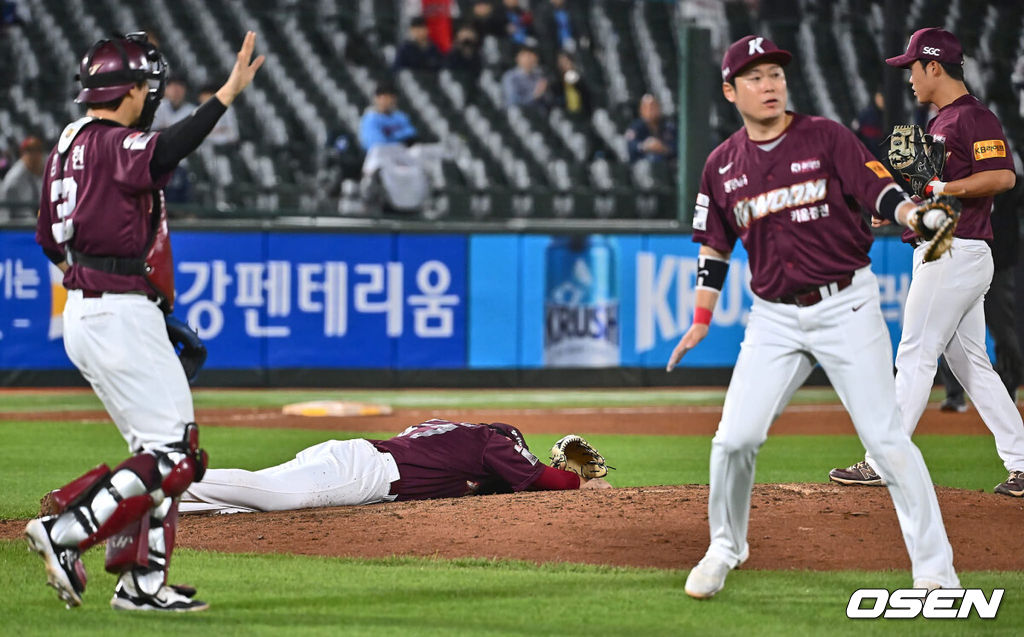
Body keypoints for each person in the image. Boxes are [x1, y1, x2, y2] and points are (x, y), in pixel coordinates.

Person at [668, 35, 959, 600]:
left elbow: (880, 192)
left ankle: (935, 571)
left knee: (886, 441)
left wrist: (913, 213)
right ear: (730, 91)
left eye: (775, 73)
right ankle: (726, 546)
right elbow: (713, 247)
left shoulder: (825, 136)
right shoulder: (721, 165)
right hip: (774, 316)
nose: (770, 84)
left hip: (846, 305)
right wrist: (701, 319)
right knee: (733, 440)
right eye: (754, 77)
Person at [26, 31, 263, 612]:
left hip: (96, 305)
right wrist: (226, 95)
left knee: (162, 455)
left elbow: (46, 240)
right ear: (130, 90)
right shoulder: (110, 141)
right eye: (145, 87)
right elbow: (163, 151)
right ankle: (67, 532)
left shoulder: (67, 143)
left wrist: (105, 285)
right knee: (175, 456)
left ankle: (141, 584)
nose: (149, 97)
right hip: (115, 309)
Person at [829, 28, 1024, 499]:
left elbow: (1002, 175)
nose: (909, 77)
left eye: (912, 68)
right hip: (945, 245)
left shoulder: (972, 118)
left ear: (934, 66)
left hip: (954, 249)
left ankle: (882, 460)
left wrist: (944, 190)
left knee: (914, 354)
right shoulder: (940, 123)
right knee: (971, 364)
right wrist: (901, 207)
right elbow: (935, 192)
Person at [180, 419, 611, 514]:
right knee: (272, 496)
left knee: (253, 498)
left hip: (351, 457)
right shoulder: (490, 442)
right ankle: (168, 477)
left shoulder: (455, 436)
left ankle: (164, 500)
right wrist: (580, 483)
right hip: (365, 472)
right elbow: (538, 476)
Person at [150, 77, 197, 204]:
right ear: (166, 89)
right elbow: (151, 132)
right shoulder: (157, 106)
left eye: (180, 87)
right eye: (173, 86)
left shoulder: (192, 109)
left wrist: (167, 129)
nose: (176, 90)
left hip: (182, 161)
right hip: (158, 159)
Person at [0, 135, 45, 220]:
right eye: (30, 151)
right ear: (22, 153)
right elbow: (23, 216)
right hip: (13, 227)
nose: (35, 155)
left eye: (38, 151)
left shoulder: (35, 171)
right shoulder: (16, 179)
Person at [625, 94, 678, 163]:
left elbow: (677, 146)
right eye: (646, 107)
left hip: (666, 164)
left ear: (659, 108)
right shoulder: (635, 126)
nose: (650, 110)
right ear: (641, 110)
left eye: (653, 107)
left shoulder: (669, 126)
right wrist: (644, 146)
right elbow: (631, 146)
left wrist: (663, 148)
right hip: (643, 165)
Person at [502, 45, 547, 110]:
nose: (530, 58)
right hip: (520, 115)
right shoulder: (510, 77)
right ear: (517, 58)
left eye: (532, 55)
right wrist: (534, 95)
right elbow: (512, 101)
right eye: (526, 55)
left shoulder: (539, 75)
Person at [548, 51, 591, 119]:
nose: (564, 65)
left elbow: (587, 94)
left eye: (566, 62)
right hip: (568, 115)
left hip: (584, 112)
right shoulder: (557, 82)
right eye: (561, 63)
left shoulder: (581, 76)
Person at [851, 90, 885, 159]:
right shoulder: (867, 112)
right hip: (870, 146)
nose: (880, 101)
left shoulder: (887, 114)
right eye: (878, 98)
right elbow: (856, 126)